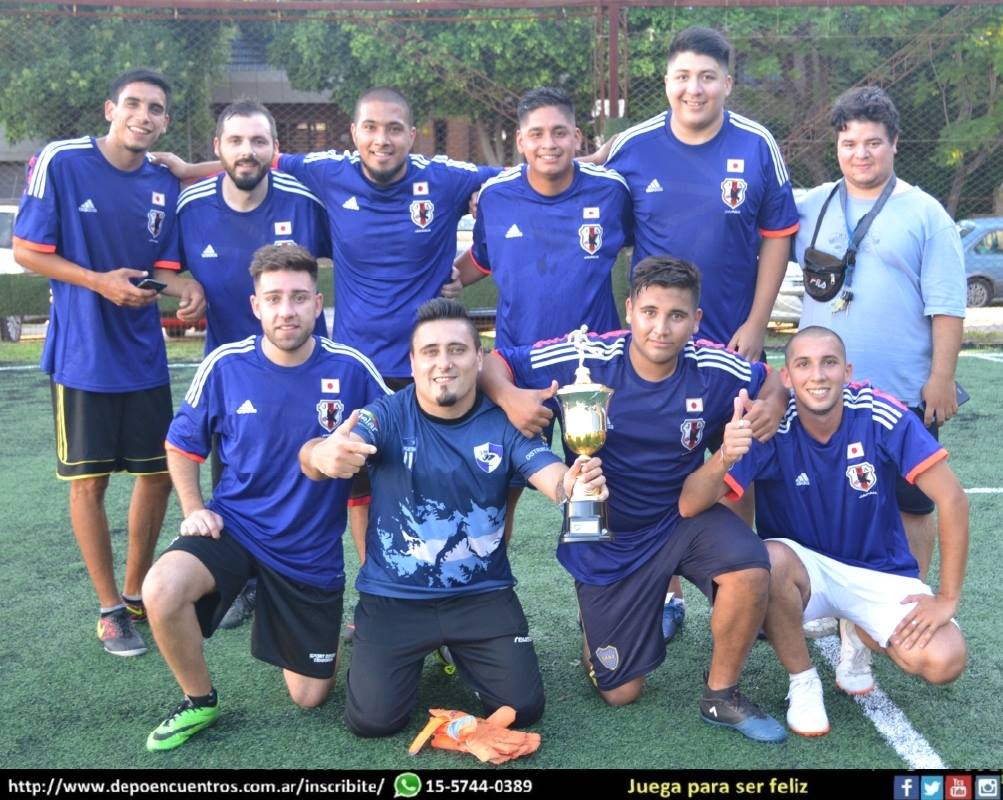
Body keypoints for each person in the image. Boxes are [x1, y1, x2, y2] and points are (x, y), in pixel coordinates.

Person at [481, 256, 791, 744]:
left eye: (676, 315)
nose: (661, 328)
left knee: (750, 566)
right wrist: (508, 395)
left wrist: (772, 403)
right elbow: (494, 361)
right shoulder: (585, 355)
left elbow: (770, 378)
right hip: (603, 528)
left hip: (680, 517)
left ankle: (721, 694)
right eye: (649, 312)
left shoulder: (711, 366)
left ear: (696, 320)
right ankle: (600, 624)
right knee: (620, 692)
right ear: (629, 310)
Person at [300, 298, 607, 738]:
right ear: (412, 362)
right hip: (395, 598)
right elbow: (314, 455)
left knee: (523, 709)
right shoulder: (385, 414)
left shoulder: (503, 424)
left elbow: (553, 477)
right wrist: (321, 454)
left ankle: (456, 647)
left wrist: (574, 486)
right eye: (430, 351)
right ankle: (407, 651)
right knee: (372, 722)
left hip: (481, 596)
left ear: (478, 359)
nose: (443, 362)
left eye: (457, 350)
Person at [142, 245, 389, 751]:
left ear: (317, 304)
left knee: (309, 697)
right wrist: (194, 509)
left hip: (308, 551)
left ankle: (278, 614)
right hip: (236, 528)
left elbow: (399, 427)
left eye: (298, 298)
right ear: (256, 306)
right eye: (273, 298)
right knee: (161, 588)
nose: (286, 310)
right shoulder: (225, 365)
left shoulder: (351, 368)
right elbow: (181, 445)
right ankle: (198, 699)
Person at [678, 327, 968, 737]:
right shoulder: (770, 426)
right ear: (787, 377)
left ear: (847, 371)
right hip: (805, 572)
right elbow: (689, 504)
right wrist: (726, 452)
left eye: (829, 363)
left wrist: (947, 598)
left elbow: (952, 498)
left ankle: (860, 632)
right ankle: (803, 681)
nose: (817, 375)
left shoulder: (878, 413)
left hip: (877, 571)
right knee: (768, 559)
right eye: (804, 364)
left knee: (945, 660)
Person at [12, 68, 205, 657]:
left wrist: (188, 289)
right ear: (109, 109)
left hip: (143, 356)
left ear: (165, 122)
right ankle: (108, 611)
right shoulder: (62, 161)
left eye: (156, 109)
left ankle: (135, 592)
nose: (143, 116)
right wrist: (99, 282)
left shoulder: (162, 182)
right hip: (83, 356)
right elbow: (25, 252)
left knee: (158, 475)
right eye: (134, 104)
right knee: (89, 482)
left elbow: (160, 270)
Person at [449, 85, 632, 561]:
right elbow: (484, 258)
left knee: (598, 492)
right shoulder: (496, 196)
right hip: (517, 370)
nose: (548, 143)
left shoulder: (612, 191)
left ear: (577, 137)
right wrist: (442, 280)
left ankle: (608, 595)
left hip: (591, 373)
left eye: (559, 133)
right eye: (536, 134)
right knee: (496, 489)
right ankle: (484, 585)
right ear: (520, 141)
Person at [794, 86, 966, 583]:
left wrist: (942, 378)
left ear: (894, 143)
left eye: (873, 142)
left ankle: (909, 595)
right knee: (826, 496)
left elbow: (947, 306)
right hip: (822, 391)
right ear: (836, 146)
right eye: (849, 143)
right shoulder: (812, 205)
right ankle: (827, 599)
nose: (860, 154)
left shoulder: (926, 213)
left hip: (900, 390)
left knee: (912, 502)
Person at [176, 98, 332, 629]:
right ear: (217, 147)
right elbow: (161, 266)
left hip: (306, 368)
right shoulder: (191, 206)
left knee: (315, 480)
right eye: (236, 141)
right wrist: (185, 286)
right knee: (237, 480)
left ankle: (310, 581)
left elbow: (357, 250)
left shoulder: (304, 201)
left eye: (259, 141)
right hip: (232, 371)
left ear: (275, 149)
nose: (247, 151)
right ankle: (242, 582)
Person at [597, 26, 798, 360]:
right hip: (656, 348)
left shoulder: (758, 144)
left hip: (733, 341)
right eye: (683, 77)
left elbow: (778, 234)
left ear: (727, 84)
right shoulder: (633, 146)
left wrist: (757, 324)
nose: (694, 89)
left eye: (707, 77)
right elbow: (584, 202)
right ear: (666, 83)